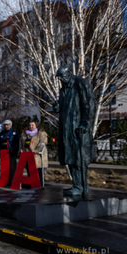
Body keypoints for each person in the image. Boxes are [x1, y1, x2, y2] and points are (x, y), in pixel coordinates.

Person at [53, 66, 96, 196]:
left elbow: (89, 105)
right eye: (58, 77)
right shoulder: (63, 89)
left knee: (78, 158)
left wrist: (85, 124)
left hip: (78, 128)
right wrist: (57, 107)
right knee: (70, 157)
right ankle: (78, 185)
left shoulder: (81, 84)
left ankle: (80, 186)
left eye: (61, 76)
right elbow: (62, 107)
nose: (60, 79)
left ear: (68, 74)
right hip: (66, 128)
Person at [20, 121, 48, 187]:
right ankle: (31, 183)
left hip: (37, 155)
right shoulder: (24, 134)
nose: (31, 126)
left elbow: (43, 142)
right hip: (27, 154)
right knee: (29, 170)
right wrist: (21, 149)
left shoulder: (41, 133)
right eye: (30, 125)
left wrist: (37, 150)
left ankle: (39, 184)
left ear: (36, 126)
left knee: (37, 170)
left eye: (32, 125)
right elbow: (20, 142)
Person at [0, 120, 20, 186]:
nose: (6, 126)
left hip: (11, 153)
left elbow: (17, 142)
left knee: (12, 167)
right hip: (4, 153)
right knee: (5, 168)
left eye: (7, 125)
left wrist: (13, 149)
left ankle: (12, 180)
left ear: (10, 125)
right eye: (5, 125)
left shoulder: (15, 133)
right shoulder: (1, 133)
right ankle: (5, 181)